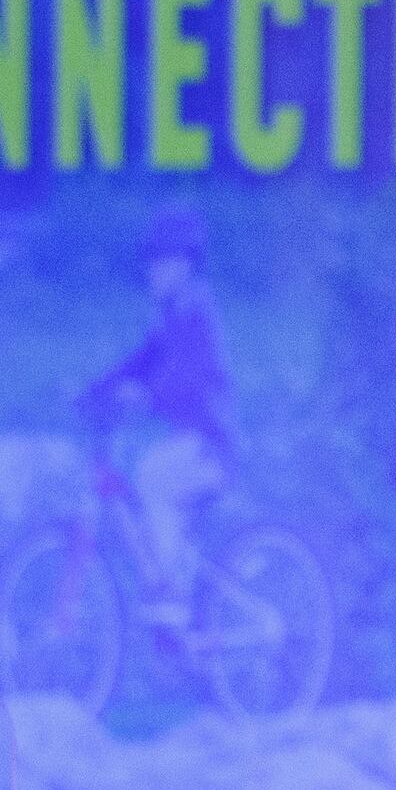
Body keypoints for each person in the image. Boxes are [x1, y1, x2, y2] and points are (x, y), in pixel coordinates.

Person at [88, 205, 238, 574]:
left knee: (152, 477)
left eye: (160, 261)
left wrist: (147, 395)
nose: (151, 270)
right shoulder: (172, 315)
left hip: (211, 445)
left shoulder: (196, 312)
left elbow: (192, 374)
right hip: (194, 443)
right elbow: (143, 360)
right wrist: (96, 391)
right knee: (154, 482)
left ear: (184, 265)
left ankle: (169, 591)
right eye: (150, 261)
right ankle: (174, 589)